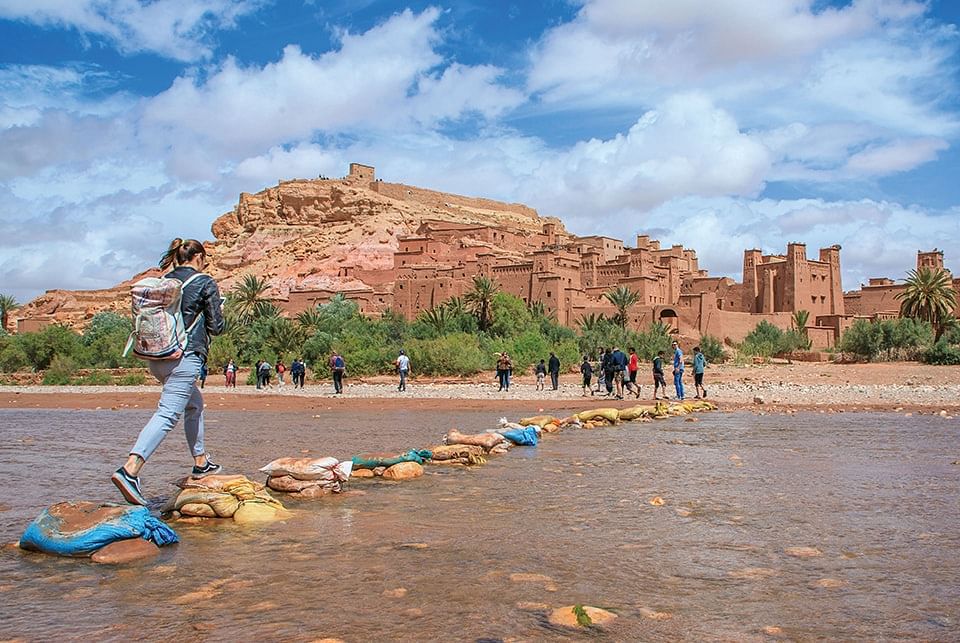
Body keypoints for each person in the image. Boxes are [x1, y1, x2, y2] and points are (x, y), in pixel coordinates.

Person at [111, 238, 225, 506]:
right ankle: (130, 469)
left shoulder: (164, 281)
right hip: (185, 357)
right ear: (198, 256)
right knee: (167, 413)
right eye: (205, 257)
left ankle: (201, 462)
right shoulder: (204, 282)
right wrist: (219, 307)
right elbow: (217, 327)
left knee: (194, 405)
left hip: (157, 358)